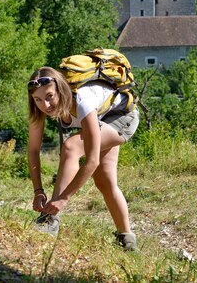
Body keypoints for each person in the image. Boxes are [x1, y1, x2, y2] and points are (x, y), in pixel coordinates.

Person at [26, 66, 139, 250]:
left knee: (72, 146)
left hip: (121, 117)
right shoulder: (39, 108)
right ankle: (127, 240)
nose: (45, 105)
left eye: (49, 96)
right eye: (38, 99)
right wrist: (38, 191)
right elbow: (32, 150)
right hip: (102, 117)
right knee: (105, 182)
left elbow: (91, 160)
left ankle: (50, 219)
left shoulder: (82, 100)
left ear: (60, 90)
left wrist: (63, 199)